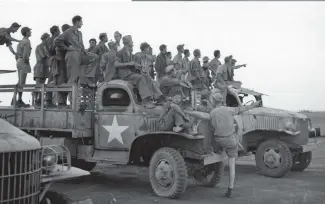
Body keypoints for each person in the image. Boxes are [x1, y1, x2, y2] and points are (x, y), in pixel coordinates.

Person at [210, 92, 261, 198]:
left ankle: (221, 150)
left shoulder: (212, 113)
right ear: (222, 101)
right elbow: (244, 109)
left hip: (219, 141)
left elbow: (212, 127)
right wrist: (255, 104)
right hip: (231, 142)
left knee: (219, 138)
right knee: (232, 166)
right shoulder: (229, 110)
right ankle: (230, 189)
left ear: (214, 101)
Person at [55, 15, 99, 90]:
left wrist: (85, 51)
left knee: (95, 57)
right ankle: (71, 99)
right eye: (81, 22)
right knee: (73, 78)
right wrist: (66, 48)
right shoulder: (68, 31)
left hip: (80, 54)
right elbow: (57, 40)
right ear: (77, 22)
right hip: (72, 55)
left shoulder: (79, 33)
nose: (82, 23)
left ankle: (87, 77)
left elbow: (81, 44)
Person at [114, 35, 156, 109]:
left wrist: (137, 66)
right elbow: (116, 64)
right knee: (140, 78)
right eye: (131, 41)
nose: (132, 42)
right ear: (127, 42)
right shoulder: (120, 52)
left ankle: (150, 98)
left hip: (130, 73)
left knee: (146, 77)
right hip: (124, 75)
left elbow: (132, 64)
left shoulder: (129, 52)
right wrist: (129, 63)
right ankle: (145, 102)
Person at [12, 27, 32, 107]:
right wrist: (26, 60)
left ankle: (14, 99)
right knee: (22, 82)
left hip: (19, 60)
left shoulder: (20, 41)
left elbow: (16, 54)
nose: (30, 33)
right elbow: (26, 52)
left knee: (20, 81)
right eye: (29, 31)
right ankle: (19, 100)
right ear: (26, 32)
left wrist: (19, 60)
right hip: (23, 60)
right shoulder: (27, 41)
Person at [44, 25, 61, 107]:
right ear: (55, 31)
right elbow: (50, 50)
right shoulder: (54, 40)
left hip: (52, 60)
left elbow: (46, 51)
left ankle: (49, 99)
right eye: (58, 30)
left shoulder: (48, 40)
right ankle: (48, 100)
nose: (60, 32)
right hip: (55, 60)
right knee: (52, 79)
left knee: (51, 79)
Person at [33, 33, 50, 106]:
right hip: (40, 66)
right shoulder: (40, 46)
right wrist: (47, 52)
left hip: (45, 66)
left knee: (43, 85)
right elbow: (43, 56)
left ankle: (40, 99)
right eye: (48, 38)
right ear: (45, 38)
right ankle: (36, 100)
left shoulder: (46, 47)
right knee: (38, 85)